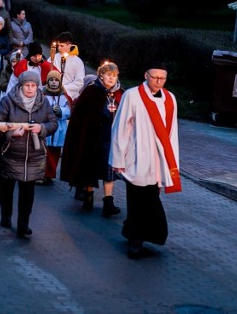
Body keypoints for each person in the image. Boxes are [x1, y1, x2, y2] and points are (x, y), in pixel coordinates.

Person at [109, 62, 181, 259]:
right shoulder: (132, 95)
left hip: (157, 159)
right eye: (155, 77)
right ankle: (135, 239)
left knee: (151, 197)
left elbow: (172, 132)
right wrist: (117, 158)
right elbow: (120, 127)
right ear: (146, 75)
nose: (158, 82)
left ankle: (137, 232)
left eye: (163, 78)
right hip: (136, 156)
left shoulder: (170, 99)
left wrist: (171, 161)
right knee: (137, 198)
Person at [0, 71, 58, 238]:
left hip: (33, 156)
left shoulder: (44, 103)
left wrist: (42, 128)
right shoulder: (8, 101)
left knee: (27, 192)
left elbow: (53, 123)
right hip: (10, 153)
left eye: (33, 85)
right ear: (20, 86)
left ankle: (23, 224)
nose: (30, 89)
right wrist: (10, 133)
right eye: (27, 85)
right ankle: (6, 215)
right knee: (6, 187)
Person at [61, 62, 124, 217]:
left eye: (114, 75)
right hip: (92, 137)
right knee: (91, 166)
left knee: (110, 169)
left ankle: (108, 201)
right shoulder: (91, 91)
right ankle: (88, 195)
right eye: (108, 74)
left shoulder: (120, 94)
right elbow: (81, 116)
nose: (111, 78)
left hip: (112, 138)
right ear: (101, 75)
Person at [40, 70, 72, 186]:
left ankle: (50, 174)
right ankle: (42, 174)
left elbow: (69, 112)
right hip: (46, 128)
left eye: (56, 80)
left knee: (55, 154)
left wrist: (60, 111)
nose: (54, 83)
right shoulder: (42, 95)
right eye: (51, 80)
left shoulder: (64, 96)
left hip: (59, 129)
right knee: (45, 152)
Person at [51, 31, 85, 101]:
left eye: (62, 46)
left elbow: (80, 82)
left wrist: (64, 88)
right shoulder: (54, 57)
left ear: (69, 45)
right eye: (58, 45)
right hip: (52, 92)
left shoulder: (78, 62)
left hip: (69, 95)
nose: (59, 48)